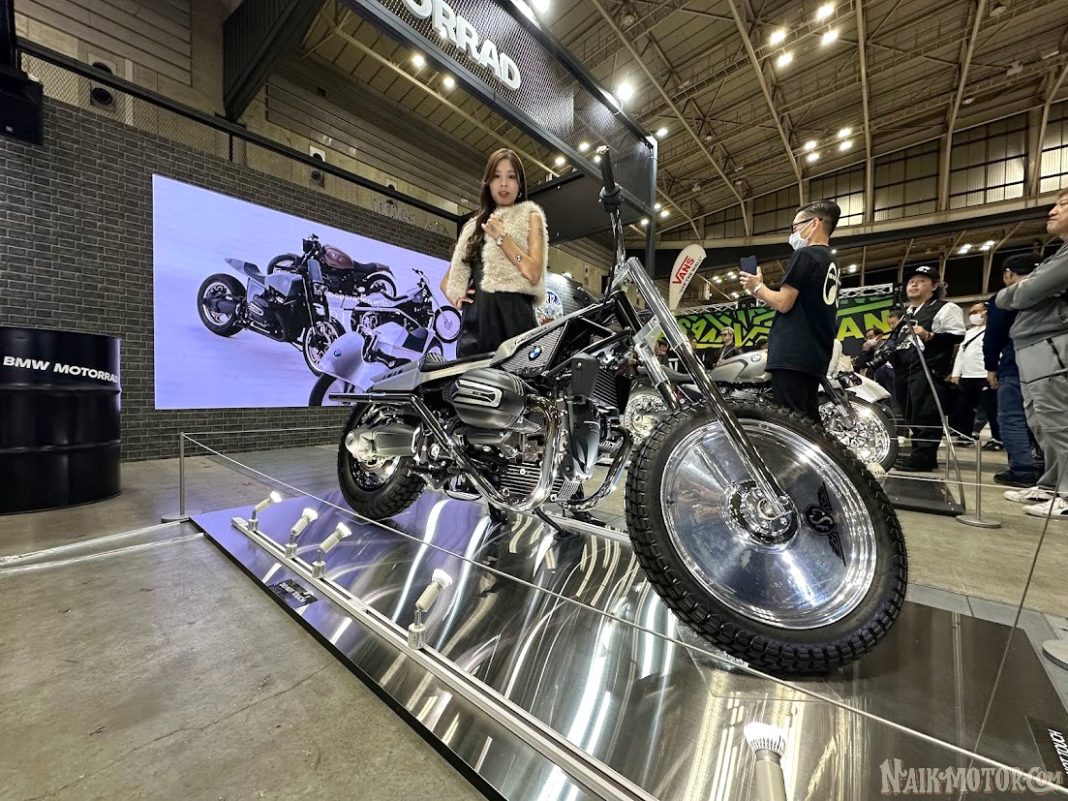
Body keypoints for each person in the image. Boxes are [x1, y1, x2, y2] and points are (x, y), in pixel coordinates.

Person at [994, 189, 1068, 520]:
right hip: (1032, 345)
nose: (1053, 211)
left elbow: (1025, 294)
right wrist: (1018, 292)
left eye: (1063, 205)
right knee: (1040, 420)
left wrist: (1017, 291)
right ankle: (1051, 484)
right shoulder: (1058, 254)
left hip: (1052, 345)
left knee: (1058, 420)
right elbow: (1018, 294)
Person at [740, 199, 842, 422]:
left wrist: (756, 287)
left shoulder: (806, 254)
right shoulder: (830, 260)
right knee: (809, 420)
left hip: (793, 352)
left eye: (796, 226)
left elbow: (783, 302)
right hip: (814, 354)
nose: (794, 232)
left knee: (791, 422)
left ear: (814, 223)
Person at [442, 148, 548, 358]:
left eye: (511, 177)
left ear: (520, 184)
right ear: (488, 182)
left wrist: (502, 238)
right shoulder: (472, 227)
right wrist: (458, 296)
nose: (503, 184)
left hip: (516, 330)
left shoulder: (530, 217)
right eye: (497, 176)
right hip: (476, 332)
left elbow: (534, 273)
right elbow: (447, 281)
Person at [891, 265, 966, 471]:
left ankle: (924, 457)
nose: (914, 284)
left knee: (926, 413)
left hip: (927, 368)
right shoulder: (908, 312)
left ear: (934, 286)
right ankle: (921, 454)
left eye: (921, 281)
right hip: (905, 369)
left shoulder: (945, 308)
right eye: (911, 281)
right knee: (911, 414)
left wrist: (929, 335)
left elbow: (957, 335)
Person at [984, 254, 1043, 487]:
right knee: (1048, 418)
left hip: (1015, 361)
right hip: (1055, 360)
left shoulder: (1006, 297)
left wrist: (991, 366)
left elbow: (994, 336)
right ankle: (1049, 469)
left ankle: (1023, 470)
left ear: (1008, 274)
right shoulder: (1055, 291)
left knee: (1012, 416)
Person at [948, 302, 999, 447]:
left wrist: (994, 371)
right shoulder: (969, 332)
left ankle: (998, 438)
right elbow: (961, 354)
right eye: (971, 313)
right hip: (967, 376)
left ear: (986, 312)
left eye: (976, 312)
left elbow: (998, 351)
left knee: (991, 409)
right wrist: (956, 373)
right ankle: (965, 435)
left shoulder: (995, 329)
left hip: (985, 375)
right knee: (963, 407)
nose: (972, 315)